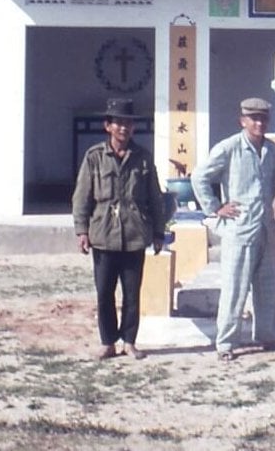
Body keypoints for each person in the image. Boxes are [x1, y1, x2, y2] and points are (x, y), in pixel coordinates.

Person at [191, 97, 275, 362]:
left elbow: (274, 180)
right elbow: (200, 177)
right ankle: (226, 342)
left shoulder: (271, 149)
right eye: (253, 118)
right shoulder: (229, 147)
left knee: (266, 285)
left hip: (265, 225)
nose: (259, 123)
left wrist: (265, 203)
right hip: (239, 227)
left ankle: (267, 334)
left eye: (263, 118)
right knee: (235, 287)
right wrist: (215, 207)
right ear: (242, 120)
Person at [72, 98, 165, 361]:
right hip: (103, 234)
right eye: (119, 123)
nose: (124, 128)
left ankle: (130, 341)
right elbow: (82, 197)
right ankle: (108, 342)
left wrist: (158, 232)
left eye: (129, 123)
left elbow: (155, 198)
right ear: (108, 126)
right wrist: (82, 231)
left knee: (133, 293)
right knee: (104, 293)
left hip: (135, 234)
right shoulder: (94, 158)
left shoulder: (143, 159)